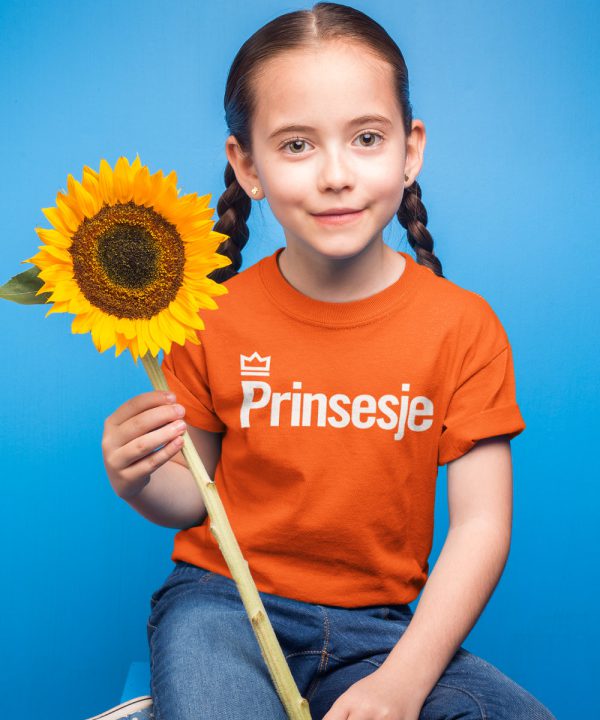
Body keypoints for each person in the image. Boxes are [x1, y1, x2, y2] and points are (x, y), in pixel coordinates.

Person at [97, 3, 557, 719]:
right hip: (224, 609)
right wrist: (138, 480)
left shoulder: (464, 326)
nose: (336, 175)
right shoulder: (207, 316)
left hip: (380, 633)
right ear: (246, 165)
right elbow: (194, 498)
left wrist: (400, 685)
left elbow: (480, 528)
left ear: (411, 149)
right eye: (297, 145)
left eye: (367, 138)